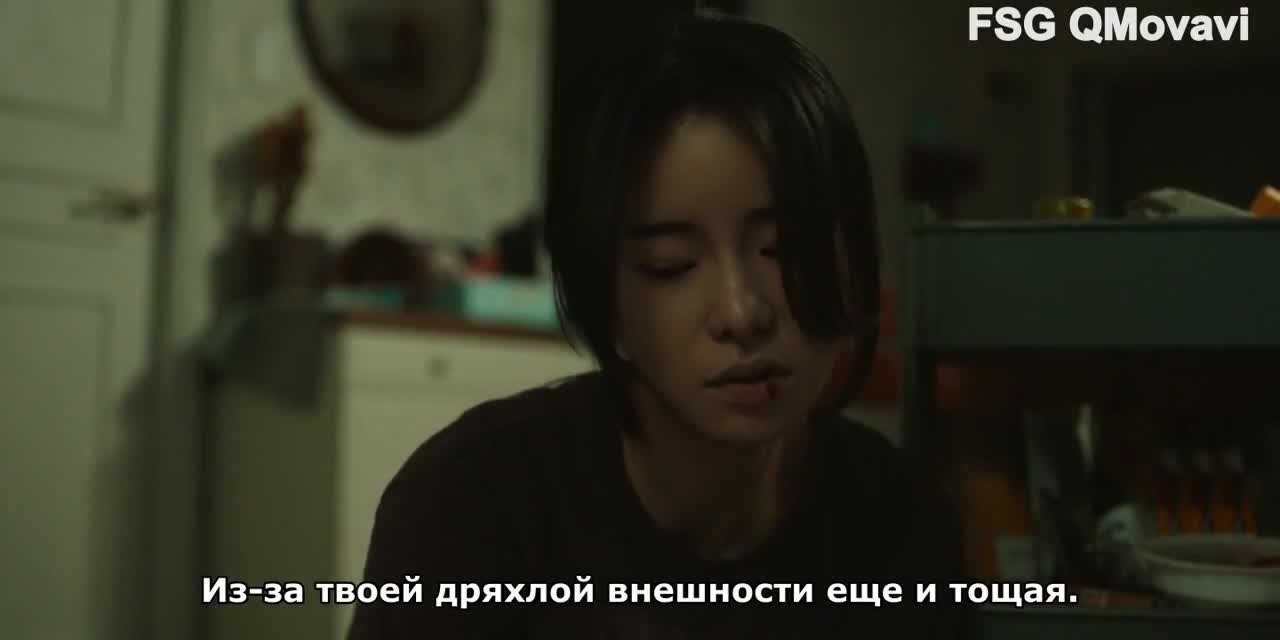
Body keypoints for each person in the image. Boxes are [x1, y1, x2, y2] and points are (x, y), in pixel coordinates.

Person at [348, 11, 972, 639]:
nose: (741, 312)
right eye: (670, 265)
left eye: (783, 250)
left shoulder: (903, 525)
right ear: (604, 294)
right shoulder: (474, 507)